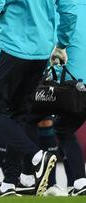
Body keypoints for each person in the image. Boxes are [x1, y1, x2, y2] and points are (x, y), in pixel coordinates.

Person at [0, 0, 77, 196]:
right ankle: (9, 183)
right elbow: (69, 11)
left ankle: (37, 156)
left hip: (11, 47)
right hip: (41, 52)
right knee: (20, 115)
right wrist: (62, 44)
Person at [51, 0, 86, 196]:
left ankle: (79, 181)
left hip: (77, 87)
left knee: (62, 129)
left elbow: (57, 54)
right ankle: (75, 182)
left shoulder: (61, 14)